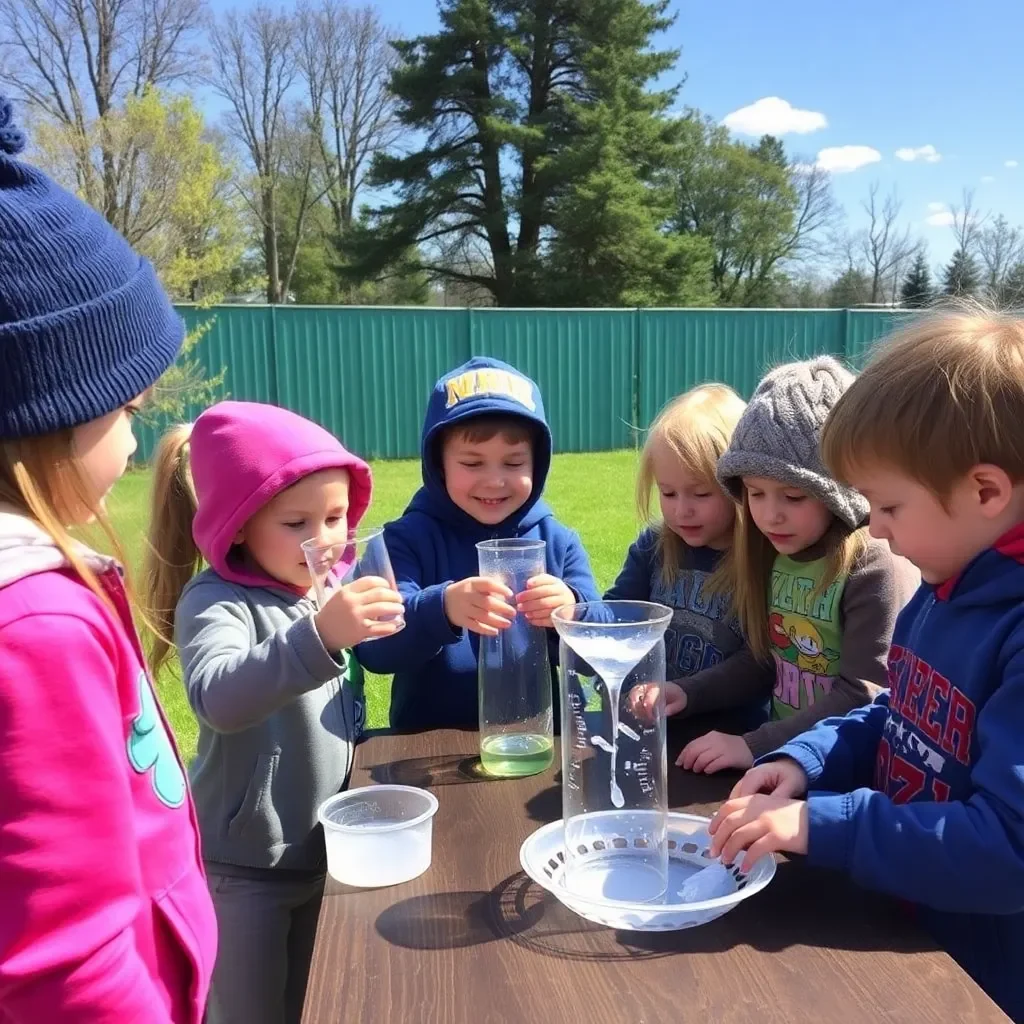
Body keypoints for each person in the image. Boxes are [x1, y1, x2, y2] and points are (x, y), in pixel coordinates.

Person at [708, 310, 1024, 1023]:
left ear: (985, 491)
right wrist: (808, 760)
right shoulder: (943, 590)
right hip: (892, 924)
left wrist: (825, 825)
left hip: (978, 978)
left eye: (888, 504)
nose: (874, 527)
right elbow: (896, 712)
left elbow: (1009, 851)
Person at [0, 95, 217, 1022]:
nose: (139, 436)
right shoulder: (35, 629)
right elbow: (69, 965)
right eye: (129, 410)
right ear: (45, 406)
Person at [145, 400, 403, 1024]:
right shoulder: (216, 601)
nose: (325, 540)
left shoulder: (324, 588)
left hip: (326, 853)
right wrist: (319, 637)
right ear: (236, 526)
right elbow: (219, 697)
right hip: (246, 870)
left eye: (337, 516)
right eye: (296, 523)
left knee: (316, 1005)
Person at [671, 356, 918, 774]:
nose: (770, 515)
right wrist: (687, 692)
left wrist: (755, 744)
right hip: (781, 765)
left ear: (843, 489)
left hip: (847, 774)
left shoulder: (873, 563)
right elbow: (765, 659)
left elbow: (865, 694)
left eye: (794, 496)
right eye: (754, 492)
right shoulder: (774, 550)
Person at [356, 356, 600, 729]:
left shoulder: (557, 541)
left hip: (540, 740)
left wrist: (573, 612)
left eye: (514, 463)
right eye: (472, 463)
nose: (494, 481)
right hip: (428, 745)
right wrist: (442, 608)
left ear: (539, 463)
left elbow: (600, 651)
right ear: (439, 464)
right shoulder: (404, 541)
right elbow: (375, 650)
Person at [609, 385, 764, 729]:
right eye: (668, 492)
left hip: (730, 736)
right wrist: (571, 611)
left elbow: (762, 662)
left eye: (701, 492)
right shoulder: (655, 546)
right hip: (652, 726)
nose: (682, 511)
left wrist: (688, 691)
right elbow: (618, 616)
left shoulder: (763, 559)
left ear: (739, 484)